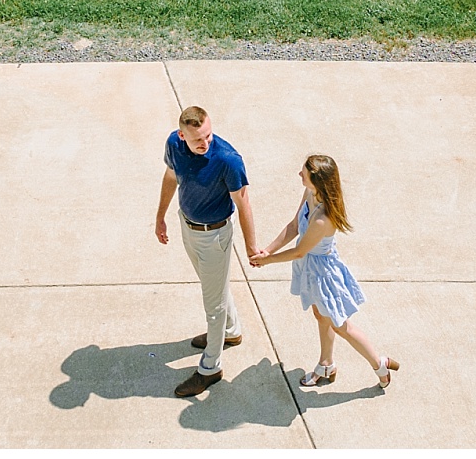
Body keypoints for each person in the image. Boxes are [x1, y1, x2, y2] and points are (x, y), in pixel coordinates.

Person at [251, 154, 398, 390]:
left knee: (341, 326)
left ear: (317, 181)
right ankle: (326, 363)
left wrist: (266, 262)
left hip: (323, 273)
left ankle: (379, 364)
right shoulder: (310, 194)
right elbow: (293, 227)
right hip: (311, 268)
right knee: (321, 316)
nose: (299, 174)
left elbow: (299, 251)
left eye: (304, 173)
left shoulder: (323, 219)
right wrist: (267, 251)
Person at [155, 105, 262, 397]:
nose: (205, 143)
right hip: (187, 225)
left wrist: (252, 248)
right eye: (197, 139)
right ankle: (231, 331)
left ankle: (210, 368)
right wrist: (160, 216)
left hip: (214, 235)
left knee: (212, 306)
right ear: (182, 135)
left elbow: (244, 205)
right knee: (213, 287)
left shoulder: (228, 159)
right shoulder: (174, 144)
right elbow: (170, 177)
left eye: (208, 135)